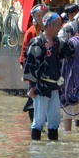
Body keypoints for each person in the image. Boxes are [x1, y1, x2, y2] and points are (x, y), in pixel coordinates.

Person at [23, 12, 65, 141]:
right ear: (50, 24)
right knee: (39, 119)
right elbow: (30, 65)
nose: (61, 26)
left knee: (55, 118)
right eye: (59, 24)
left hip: (54, 85)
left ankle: (53, 147)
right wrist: (32, 86)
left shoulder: (58, 42)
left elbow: (72, 49)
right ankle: (36, 148)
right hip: (41, 86)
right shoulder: (37, 42)